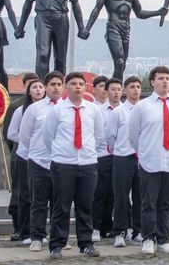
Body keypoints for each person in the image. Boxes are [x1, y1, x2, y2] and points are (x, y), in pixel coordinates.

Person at [41, 72, 104, 258]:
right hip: (63, 164)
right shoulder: (57, 110)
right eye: (73, 84)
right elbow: (47, 137)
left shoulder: (93, 110)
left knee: (86, 205)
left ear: (86, 88)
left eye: (81, 84)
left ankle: (86, 243)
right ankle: (57, 245)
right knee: (62, 205)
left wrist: (87, 150)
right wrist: (62, 152)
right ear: (66, 87)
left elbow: (99, 136)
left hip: (87, 163)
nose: (78, 87)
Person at [128, 66, 169, 255]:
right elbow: (133, 135)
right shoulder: (142, 106)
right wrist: (145, 151)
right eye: (160, 78)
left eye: (167, 78)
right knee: (148, 203)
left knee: (166, 203)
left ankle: (163, 239)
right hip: (150, 161)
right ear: (152, 82)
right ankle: (147, 238)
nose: (165, 82)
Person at [78, 0, 169, 80]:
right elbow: (97, 9)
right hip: (113, 27)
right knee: (119, 62)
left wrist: (158, 12)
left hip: (126, 29)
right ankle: (116, 89)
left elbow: (140, 13)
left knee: (122, 65)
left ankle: (114, 87)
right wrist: (87, 28)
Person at [19, 71, 65, 252]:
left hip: (62, 162)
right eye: (52, 84)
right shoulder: (34, 109)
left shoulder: (67, 107)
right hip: (39, 161)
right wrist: (39, 150)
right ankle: (36, 236)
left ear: (63, 87)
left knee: (59, 203)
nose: (55, 88)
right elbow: (25, 135)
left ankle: (58, 237)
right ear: (45, 87)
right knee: (38, 202)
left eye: (59, 84)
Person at [7, 78, 45, 245]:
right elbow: (11, 133)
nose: (38, 90)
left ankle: (39, 231)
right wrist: (27, 142)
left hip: (44, 158)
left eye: (40, 87)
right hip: (25, 156)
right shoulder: (20, 110)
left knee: (41, 197)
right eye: (34, 87)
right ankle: (25, 231)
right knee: (25, 196)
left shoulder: (50, 109)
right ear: (28, 91)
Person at [106, 76, 143, 247]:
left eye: (138, 87)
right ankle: (120, 232)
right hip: (123, 158)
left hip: (143, 158)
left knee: (140, 197)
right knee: (121, 197)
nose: (136, 90)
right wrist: (120, 150)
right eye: (132, 87)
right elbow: (110, 136)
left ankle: (138, 232)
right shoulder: (118, 112)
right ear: (125, 90)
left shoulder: (145, 110)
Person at [91, 78, 121, 242]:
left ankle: (109, 227)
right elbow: (97, 133)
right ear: (106, 92)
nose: (116, 92)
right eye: (112, 89)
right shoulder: (98, 110)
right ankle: (95, 227)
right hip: (103, 155)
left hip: (122, 155)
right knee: (100, 192)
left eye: (118, 89)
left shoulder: (126, 110)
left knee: (115, 194)